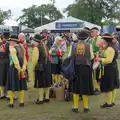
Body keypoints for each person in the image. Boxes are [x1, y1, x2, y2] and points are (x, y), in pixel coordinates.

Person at [71, 29, 94, 113]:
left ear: (78, 37)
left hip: (75, 68)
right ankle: (86, 107)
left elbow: (71, 56)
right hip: (86, 68)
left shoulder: (73, 45)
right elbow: (91, 57)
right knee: (85, 87)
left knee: (76, 87)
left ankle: (75, 107)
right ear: (86, 37)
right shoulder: (89, 45)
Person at [99, 33, 119, 108]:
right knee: (112, 86)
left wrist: (100, 59)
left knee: (109, 86)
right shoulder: (110, 47)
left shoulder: (110, 48)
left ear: (106, 40)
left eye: (102, 40)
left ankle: (108, 103)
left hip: (109, 68)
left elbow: (108, 60)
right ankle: (111, 101)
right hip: (112, 68)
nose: (101, 41)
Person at [6, 37, 27, 108]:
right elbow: (25, 59)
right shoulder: (22, 48)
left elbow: (15, 60)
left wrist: (19, 69)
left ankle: (11, 103)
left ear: (13, 41)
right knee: (21, 85)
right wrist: (23, 68)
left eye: (10, 41)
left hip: (14, 69)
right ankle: (21, 102)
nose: (9, 42)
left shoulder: (12, 48)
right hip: (21, 68)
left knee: (11, 85)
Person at [32, 34, 52, 104]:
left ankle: (40, 99)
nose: (32, 42)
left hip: (41, 67)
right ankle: (47, 98)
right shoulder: (45, 47)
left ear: (35, 41)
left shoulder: (36, 48)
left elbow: (34, 60)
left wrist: (33, 68)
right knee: (47, 82)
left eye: (33, 40)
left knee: (41, 83)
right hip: (47, 66)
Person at [89, 27, 101, 95]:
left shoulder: (99, 38)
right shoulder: (90, 39)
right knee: (93, 73)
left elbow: (101, 48)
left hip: (97, 58)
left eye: (93, 31)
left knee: (96, 73)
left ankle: (98, 88)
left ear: (96, 32)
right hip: (92, 58)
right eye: (91, 32)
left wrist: (97, 54)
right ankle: (95, 87)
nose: (91, 33)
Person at [0, 31, 9, 99]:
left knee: (1, 77)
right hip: (8, 61)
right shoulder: (10, 44)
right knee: (7, 77)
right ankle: (6, 93)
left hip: (1, 61)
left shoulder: (0, 43)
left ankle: (2, 93)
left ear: (3, 37)